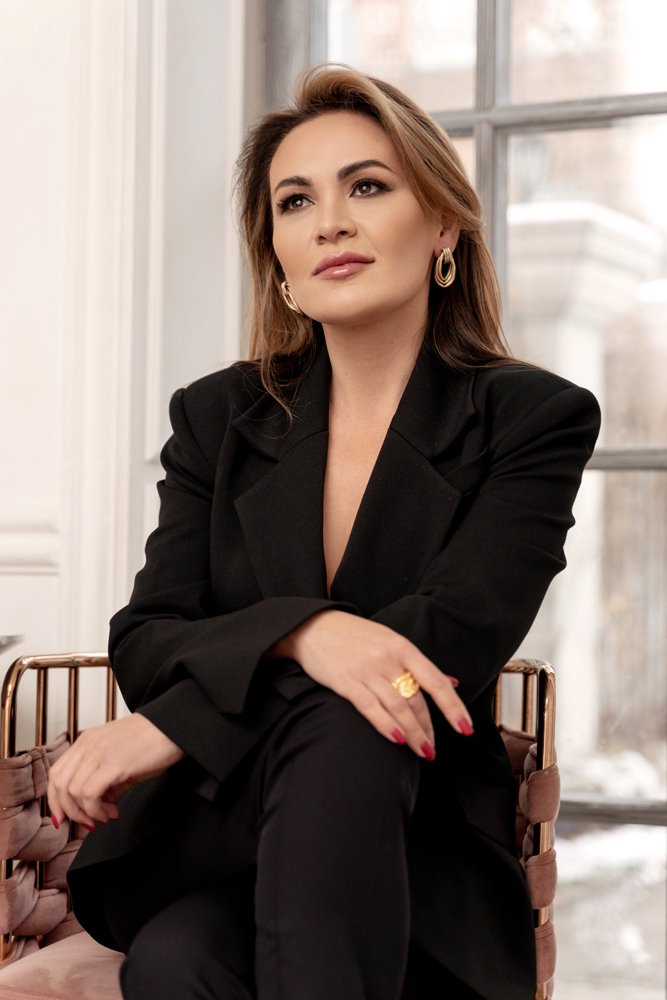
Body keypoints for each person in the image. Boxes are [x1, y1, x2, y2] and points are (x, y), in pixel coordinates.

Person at [47, 65, 600, 1000]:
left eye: (367, 187)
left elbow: (450, 636)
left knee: (181, 959)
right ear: (278, 255)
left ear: (442, 228)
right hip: (220, 827)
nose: (329, 223)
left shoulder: (531, 417)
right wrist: (311, 633)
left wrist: (181, 717)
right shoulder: (217, 417)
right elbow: (147, 639)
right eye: (295, 201)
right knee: (350, 693)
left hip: (419, 856)